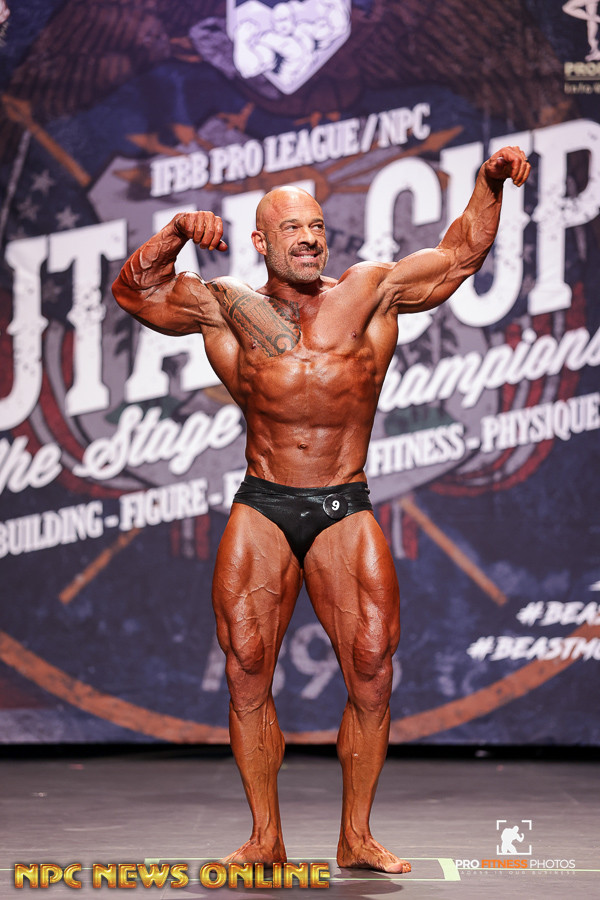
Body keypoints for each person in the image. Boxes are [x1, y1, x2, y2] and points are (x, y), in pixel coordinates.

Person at [112, 146, 530, 874]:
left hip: (343, 501)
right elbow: (133, 292)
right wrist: (176, 233)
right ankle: (264, 839)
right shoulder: (225, 304)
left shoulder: (370, 291)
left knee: (372, 665)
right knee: (247, 667)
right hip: (264, 501)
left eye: (316, 227)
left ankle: (356, 837)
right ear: (260, 241)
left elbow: (460, 255)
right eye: (292, 229)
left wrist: (489, 182)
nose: (308, 239)